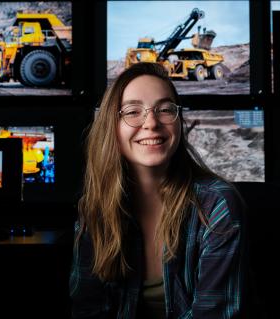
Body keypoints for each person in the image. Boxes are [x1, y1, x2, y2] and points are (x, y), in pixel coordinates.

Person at [69, 62, 246, 318]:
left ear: (178, 122)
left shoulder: (218, 206)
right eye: (132, 111)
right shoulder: (95, 206)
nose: (151, 122)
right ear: (112, 127)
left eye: (164, 109)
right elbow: (87, 309)